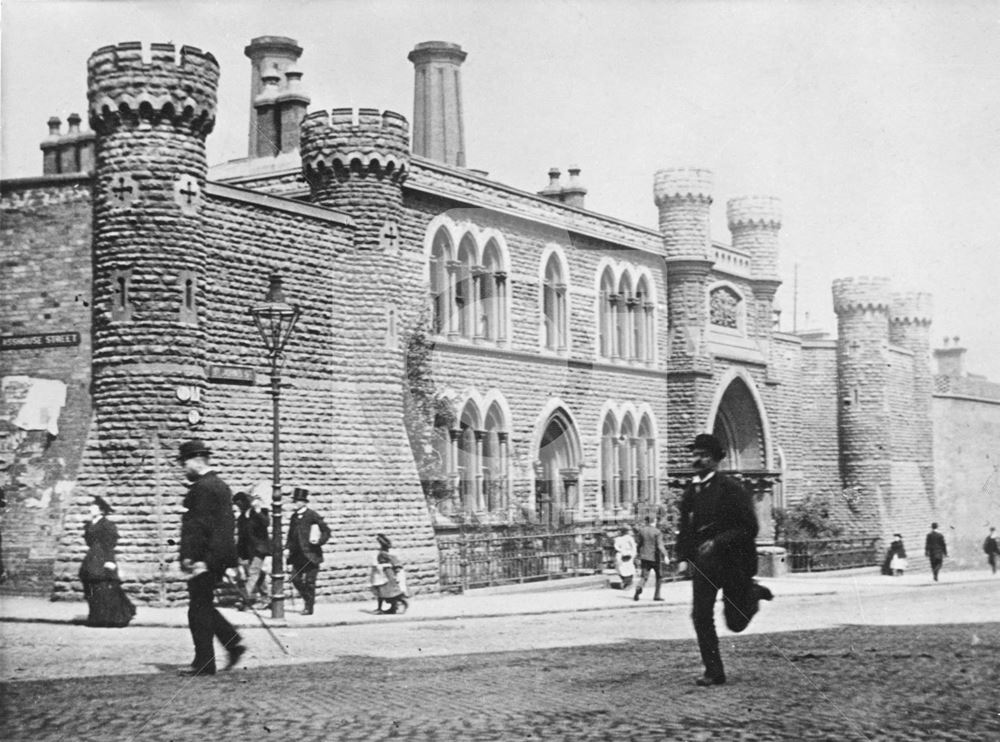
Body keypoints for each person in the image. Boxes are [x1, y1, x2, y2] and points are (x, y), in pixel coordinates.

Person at [676, 433, 773, 687]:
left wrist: (718, 541)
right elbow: (685, 527)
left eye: (704, 455)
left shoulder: (731, 489)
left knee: (736, 622)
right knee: (700, 616)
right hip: (705, 565)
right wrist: (683, 557)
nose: (698, 459)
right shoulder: (691, 491)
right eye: (695, 454)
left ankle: (751, 595)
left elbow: (749, 527)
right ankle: (713, 671)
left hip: (732, 562)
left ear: (716, 460)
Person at [177, 439, 245, 676]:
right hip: (213, 558)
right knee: (202, 606)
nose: (183, 468)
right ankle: (231, 643)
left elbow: (200, 528)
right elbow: (225, 528)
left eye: (184, 463)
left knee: (198, 609)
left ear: (196, 461)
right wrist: (227, 561)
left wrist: (197, 559)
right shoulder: (219, 485)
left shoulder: (203, 488)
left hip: (204, 560)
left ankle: (206, 662)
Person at [78, 496, 135, 628]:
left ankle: (113, 618)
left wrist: (109, 560)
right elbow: (88, 541)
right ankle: (96, 617)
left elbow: (110, 543)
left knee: (105, 587)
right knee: (91, 586)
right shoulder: (89, 525)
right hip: (92, 557)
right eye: (90, 507)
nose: (90, 509)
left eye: (93, 507)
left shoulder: (107, 525)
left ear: (101, 510)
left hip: (103, 556)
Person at [286, 487, 330, 616]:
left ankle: (309, 607)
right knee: (295, 579)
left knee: (310, 582)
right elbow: (290, 534)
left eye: (298, 501)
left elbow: (326, 531)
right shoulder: (294, 516)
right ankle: (308, 599)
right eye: (295, 501)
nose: (296, 503)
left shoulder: (312, 515)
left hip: (311, 554)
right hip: (298, 555)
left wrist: (319, 541)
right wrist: (287, 548)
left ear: (304, 502)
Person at [233, 491, 270, 609]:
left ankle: (243, 599)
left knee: (253, 572)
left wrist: (258, 511)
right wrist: (239, 553)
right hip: (248, 550)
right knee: (258, 574)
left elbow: (266, 523)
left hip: (260, 548)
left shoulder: (260, 512)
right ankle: (266, 597)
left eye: (240, 504)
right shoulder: (242, 518)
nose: (239, 507)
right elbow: (242, 537)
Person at [371, 534, 408, 614]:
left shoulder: (385, 554)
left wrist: (396, 572)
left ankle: (388, 608)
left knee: (386, 591)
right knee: (381, 590)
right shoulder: (383, 553)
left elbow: (396, 563)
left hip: (387, 574)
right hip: (382, 573)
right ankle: (383, 608)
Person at [633, 516, 668, 601]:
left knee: (644, 576)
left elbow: (639, 544)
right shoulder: (657, 532)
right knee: (659, 576)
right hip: (655, 558)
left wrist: (638, 553)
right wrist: (666, 555)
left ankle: (639, 587)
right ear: (654, 521)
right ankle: (657, 596)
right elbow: (660, 545)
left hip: (644, 557)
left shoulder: (642, 531)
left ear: (647, 521)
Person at [613, 526, 637, 590]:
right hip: (621, 555)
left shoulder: (629, 538)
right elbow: (616, 547)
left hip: (628, 554)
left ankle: (628, 582)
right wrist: (621, 551)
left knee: (629, 568)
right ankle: (626, 581)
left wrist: (632, 554)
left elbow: (633, 547)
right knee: (620, 569)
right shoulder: (617, 539)